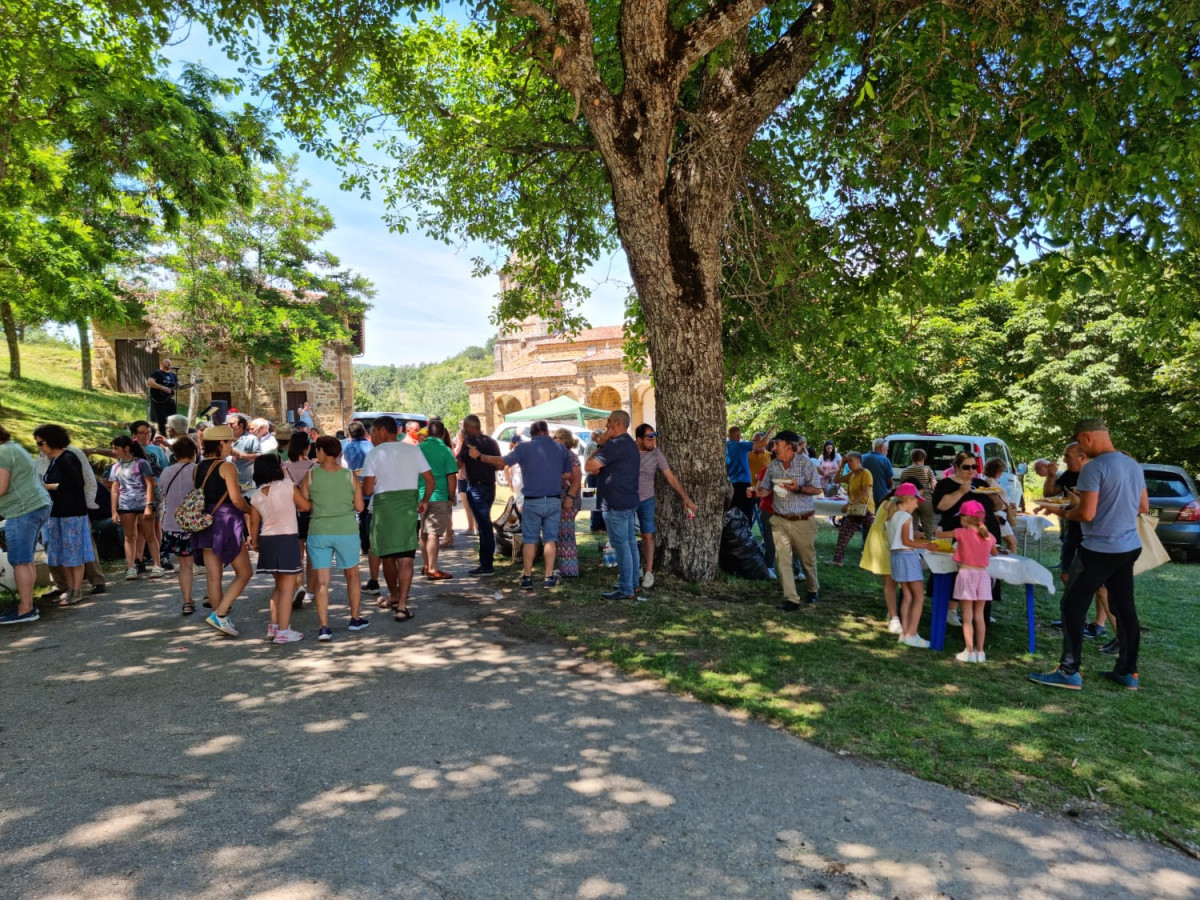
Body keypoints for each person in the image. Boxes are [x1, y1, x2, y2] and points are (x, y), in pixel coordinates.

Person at [1030, 419, 1148, 691]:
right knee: (1125, 608)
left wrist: (1060, 512)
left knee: (1072, 605)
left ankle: (1068, 671)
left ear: (1087, 437)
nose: (1081, 449)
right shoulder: (1132, 464)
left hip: (1098, 549)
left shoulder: (1093, 468)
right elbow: (1142, 505)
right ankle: (1128, 671)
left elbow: (1086, 514)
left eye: (1080, 442)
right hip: (1128, 547)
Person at [471, 419, 574, 589]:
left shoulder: (524, 448)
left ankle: (527, 576)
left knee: (530, 539)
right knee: (550, 539)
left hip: (533, 500)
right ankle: (549, 577)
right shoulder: (560, 448)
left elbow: (501, 462)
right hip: (554, 500)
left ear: (532, 434)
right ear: (547, 432)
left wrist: (480, 456)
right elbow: (568, 473)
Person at [362, 416, 434, 620]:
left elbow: (367, 489)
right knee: (406, 558)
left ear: (383, 430)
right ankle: (402, 606)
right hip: (408, 508)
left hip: (383, 509)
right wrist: (425, 500)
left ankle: (394, 596)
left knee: (387, 557)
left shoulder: (374, 454)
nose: (372, 437)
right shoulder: (413, 450)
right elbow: (430, 480)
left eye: (374, 433)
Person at [302, 436, 369, 639]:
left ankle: (324, 626)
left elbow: (303, 504)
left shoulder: (311, 475)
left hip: (319, 531)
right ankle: (355, 619)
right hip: (346, 531)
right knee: (353, 576)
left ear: (322, 451)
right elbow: (360, 507)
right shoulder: (350, 476)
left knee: (322, 582)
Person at [193, 425, 253, 638]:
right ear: (220, 444)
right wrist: (250, 510)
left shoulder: (197, 467)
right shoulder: (227, 467)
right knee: (245, 572)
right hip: (225, 521)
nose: (231, 447)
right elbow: (236, 499)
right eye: (228, 442)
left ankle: (221, 617)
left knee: (213, 576)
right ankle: (220, 613)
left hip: (205, 521)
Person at [34, 430, 106, 600]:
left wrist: (50, 487)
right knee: (59, 551)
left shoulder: (70, 456)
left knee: (77, 550)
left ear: (52, 441)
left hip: (73, 511)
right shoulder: (47, 460)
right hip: (54, 511)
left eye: (40, 443)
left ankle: (83, 586)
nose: (38, 447)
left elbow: (81, 482)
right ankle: (66, 586)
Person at [754, 430, 822, 609]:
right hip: (780, 519)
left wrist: (797, 488)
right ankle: (791, 598)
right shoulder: (773, 465)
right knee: (782, 559)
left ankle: (813, 589)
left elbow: (817, 489)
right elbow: (766, 490)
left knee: (806, 559)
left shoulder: (805, 463)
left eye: (777, 444)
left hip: (803, 520)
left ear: (789, 447)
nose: (773, 447)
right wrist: (756, 491)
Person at [250, 454, 312, 643]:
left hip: (267, 539)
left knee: (278, 586)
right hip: (286, 538)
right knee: (287, 588)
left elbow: (254, 522)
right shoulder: (287, 486)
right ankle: (284, 631)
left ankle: (274, 625)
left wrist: (254, 541)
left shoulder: (256, 494)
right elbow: (304, 506)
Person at [586, 410, 642, 601]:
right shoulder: (630, 444)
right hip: (628, 500)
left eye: (609, 422)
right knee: (630, 544)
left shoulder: (614, 445)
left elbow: (590, 466)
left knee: (622, 546)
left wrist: (600, 444)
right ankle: (633, 584)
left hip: (615, 503)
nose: (606, 425)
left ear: (617, 423)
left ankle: (627, 588)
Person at [0, 426, 52, 625]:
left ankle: (26, 609)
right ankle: (27, 604)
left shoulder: (2, 452)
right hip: (35, 506)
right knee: (25, 559)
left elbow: (1, 487)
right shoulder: (11, 447)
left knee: (20, 560)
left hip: (22, 511)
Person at [634, 424, 697, 589]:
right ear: (639, 439)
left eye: (654, 436)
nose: (653, 440)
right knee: (627, 537)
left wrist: (685, 498)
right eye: (649, 437)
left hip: (646, 499)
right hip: (627, 499)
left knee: (648, 535)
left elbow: (670, 477)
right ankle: (634, 568)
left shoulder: (656, 453)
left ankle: (648, 572)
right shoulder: (629, 451)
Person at [941, 500, 998, 663]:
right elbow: (994, 552)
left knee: (967, 616)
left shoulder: (961, 532)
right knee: (979, 616)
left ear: (964, 519)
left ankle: (969, 650)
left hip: (966, 575)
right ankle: (980, 651)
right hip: (983, 576)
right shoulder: (989, 536)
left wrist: (938, 529)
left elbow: (940, 535)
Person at [887, 483, 939, 646]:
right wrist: (926, 546)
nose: (918, 504)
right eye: (916, 501)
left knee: (908, 595)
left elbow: (900, 539)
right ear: (909, 499)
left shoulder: (892, 517)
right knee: (919, 596)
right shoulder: (906, 516)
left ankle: (905, 633)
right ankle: (911, 633)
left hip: (896, 557)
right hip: (907, 557)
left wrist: (915, 537)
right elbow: (906, 541)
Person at [108, 435, 164, 580]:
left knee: (149, 535)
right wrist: (114, 510)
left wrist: (149, 505)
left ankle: (157, 565)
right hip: (126, 505)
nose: (113, 451)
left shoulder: (141, 463)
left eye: (116, 448)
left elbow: (150, 484)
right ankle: (130, 567)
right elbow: (114, 489)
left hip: (142, 503)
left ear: (126, 448)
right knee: (129, 536)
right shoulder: (116, 467)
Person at [158, 436, 199, 615]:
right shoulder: (197, 470)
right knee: (211, 562)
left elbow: (162, 493)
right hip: (197, 523)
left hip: (173, 523)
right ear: (194, 453)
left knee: (184, 565)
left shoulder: (166, 472)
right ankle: (213, 597)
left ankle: (187, 601)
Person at [456, 414, 502, 576]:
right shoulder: (491, 441)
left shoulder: (469, 442)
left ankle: (487, 565)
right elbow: (500, 465)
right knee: (484, 523)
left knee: (484, 525)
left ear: (468, 428)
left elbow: (458, 463)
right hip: (490, 486)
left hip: (477, 487)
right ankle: (486, 561)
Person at [417, 419, 460, 581]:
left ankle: (427, 564)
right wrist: (451, 495)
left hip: (421, 495)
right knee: (434, 533)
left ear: (428, 433)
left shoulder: (418, 448)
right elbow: (451, 477)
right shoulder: (445, 450)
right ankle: (433, 569)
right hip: (439, 495)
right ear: (443, 434)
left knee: (424, 531)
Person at [283, 431, 318, 608]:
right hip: (311, 511)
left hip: (291, 513)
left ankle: (299, 585)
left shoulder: (283, 467)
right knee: (312, 553)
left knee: (297, 553)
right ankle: (311, 591)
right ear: (308, 447)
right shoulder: (314, 467)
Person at [831, 452, 875, 566]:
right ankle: (837, 560)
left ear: (858, 461)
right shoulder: (851, 474)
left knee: (872, 536)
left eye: (851, 461)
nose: (849, 464)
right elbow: (836, 480)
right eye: (848, 461)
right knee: (844, 533)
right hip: (854, 509)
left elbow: (865, 492)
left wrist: (850, 503)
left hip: (866, 510)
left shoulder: (866, 473)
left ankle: (875, 561)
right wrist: (841, 465)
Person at [552, 428, 584, 578]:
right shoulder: (561, 456)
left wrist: (570, 497)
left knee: (566, 536)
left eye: (555, 437)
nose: (553, 439)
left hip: (568, 501)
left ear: (563, 440)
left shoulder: (570, 457)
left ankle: (570, 570)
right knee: (562, 535)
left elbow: (577, 479)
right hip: (562, 501)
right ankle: (565, 568)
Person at [726, 425, 772, 521]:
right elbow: (764, 442)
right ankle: (745, 532)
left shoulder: (725, 446)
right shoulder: (741, 446)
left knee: (733, 511)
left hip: (730, 483)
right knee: (746, 512)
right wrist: (771, 430)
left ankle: (733, 532)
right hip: (744, 484)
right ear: (738, 436)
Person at [899, 448, 936, 540]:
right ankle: (928, 545)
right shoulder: (927, 469)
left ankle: (913, 545)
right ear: (923, 458)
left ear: (912, 458)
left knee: (912, 526)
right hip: (926, 500)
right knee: (927, 526)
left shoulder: (905, 471)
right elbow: (934, 484)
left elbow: (902, 487)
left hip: (910, 501)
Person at [147, 357, 180, 436]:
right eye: (166, 362)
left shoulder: (173, 375)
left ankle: (173, 436)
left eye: (170, 362)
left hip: (170, 399)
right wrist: (163, 388)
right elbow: (149, 382)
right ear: (161, 364)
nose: (169, 363)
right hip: (159, 400)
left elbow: (179, 386)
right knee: (161, 420)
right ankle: (163, 436)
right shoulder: (157, 373)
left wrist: (190, 385)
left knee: (173, 418)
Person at [860, 439, 894, 509]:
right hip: (880, 495)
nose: (887, 452)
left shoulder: (861, 458)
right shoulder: (884, 460)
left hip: (863, 495)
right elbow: (889, 481)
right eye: (887, 449)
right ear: (882, 447)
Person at [229, 414, 261, 485]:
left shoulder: (251, 439)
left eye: (232, 424)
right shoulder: (227, 439)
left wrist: (240, 455)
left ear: (241, 426)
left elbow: (260, 457)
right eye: (227, 424)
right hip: (229, 481)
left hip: (246, 482)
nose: (228, 426)